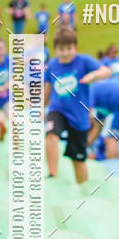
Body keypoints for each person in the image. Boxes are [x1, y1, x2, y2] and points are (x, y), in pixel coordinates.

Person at [44, 28, 111, 183]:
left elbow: (106, 71)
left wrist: (93, 76)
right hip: (58, 110)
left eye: (69, 48)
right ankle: (52, 174)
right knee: (51, 135)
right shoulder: (52, 65)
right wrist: (40, 107)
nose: (65, 53)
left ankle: (83, 190)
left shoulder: (84, 61)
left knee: (78, 159)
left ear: (76, 48)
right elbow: (47, 88)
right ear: (56, 50)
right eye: (61, 49)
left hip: (79, 116)